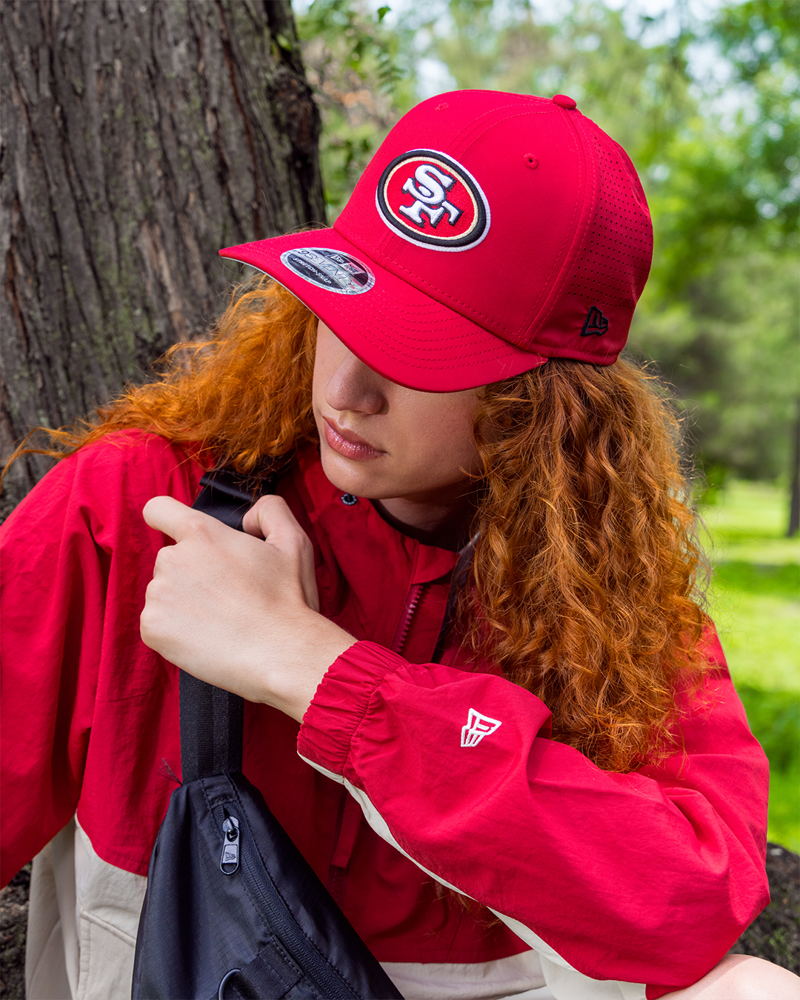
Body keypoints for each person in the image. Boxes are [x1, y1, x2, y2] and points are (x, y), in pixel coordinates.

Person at [1, 90, 797, 1000]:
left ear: (545, 403)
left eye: (421, 352)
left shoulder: (610, 612)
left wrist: (317, 672)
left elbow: (691, 898)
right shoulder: (140, 505)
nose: (346, 390)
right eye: (340, 307)